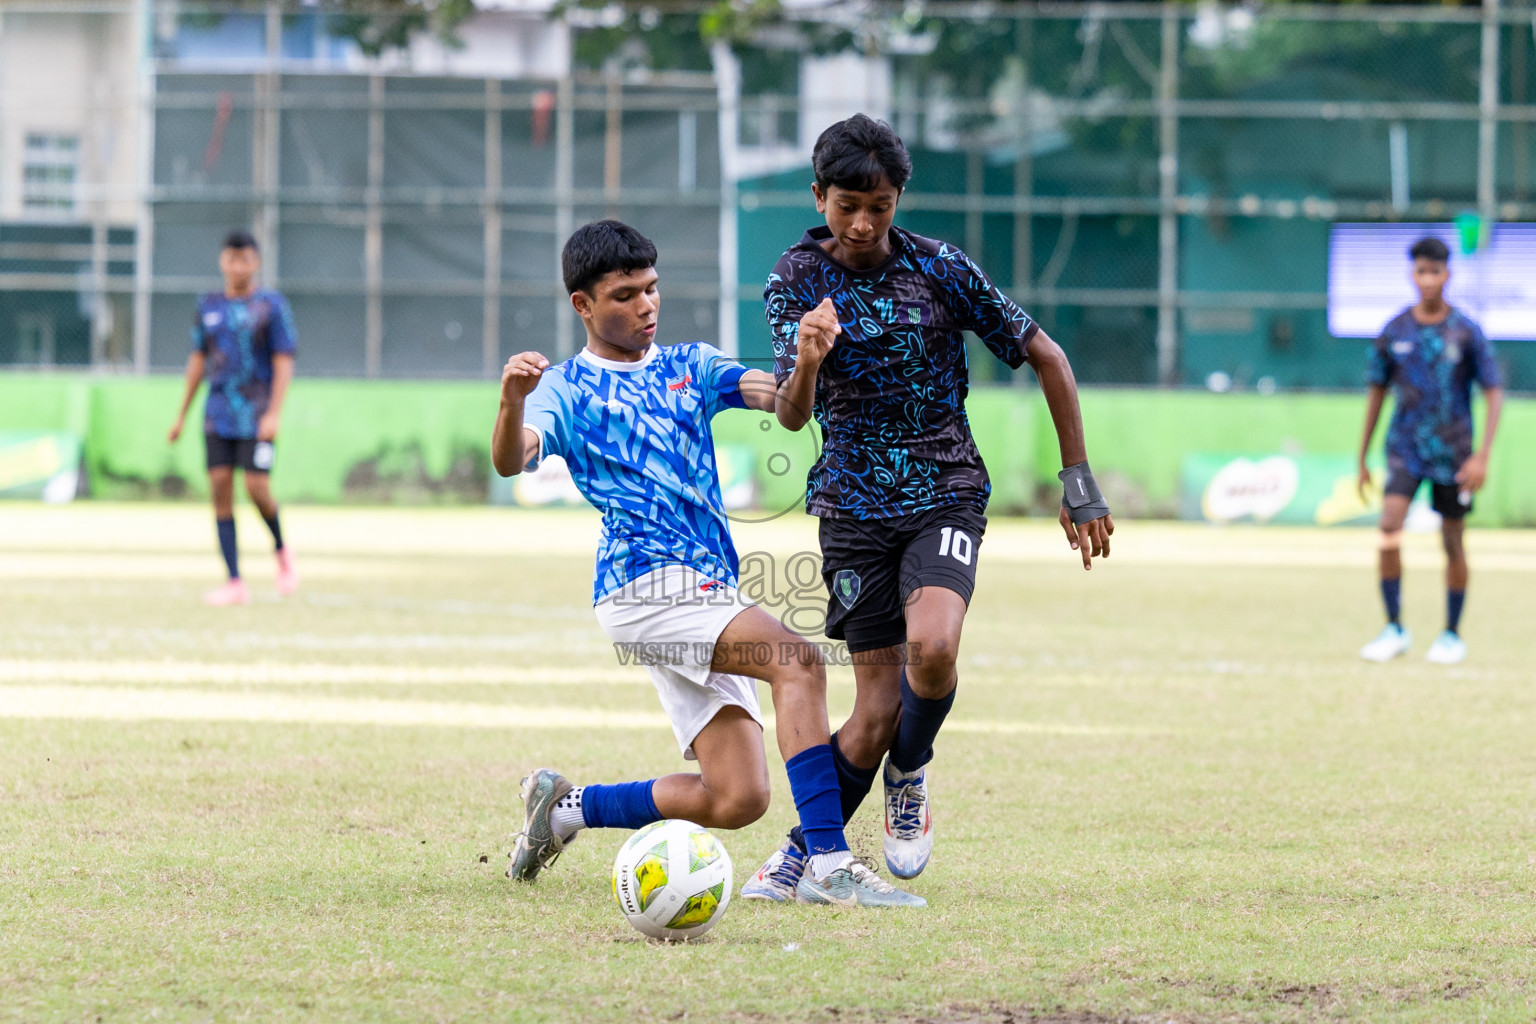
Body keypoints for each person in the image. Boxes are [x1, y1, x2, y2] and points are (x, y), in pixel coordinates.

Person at [494, 220, 924, 908]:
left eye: (652, 289)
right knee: (799, 662)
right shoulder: (568, 388)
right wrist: (513, 401)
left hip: (704, 588)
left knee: (737, 796)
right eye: (626, 295)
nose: (646, 305)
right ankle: (828, 862)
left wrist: (807, 361)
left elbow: (785, 409)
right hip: (643, 584)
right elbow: (514, 457)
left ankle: (566, 809)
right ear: (583, 305)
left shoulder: (691, 364)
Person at [739, 115, 1113, 902]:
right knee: (872, 714)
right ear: (819, 197)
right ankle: (805, 852)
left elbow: (1047, 354)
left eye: (879, 204)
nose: (865, 223)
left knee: (934, 649)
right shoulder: (793, 280)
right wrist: (807, 359)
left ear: (899, 196)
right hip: (850, 507)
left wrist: (1076, 478)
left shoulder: (940, 268)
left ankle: (909, 776)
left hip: (945, 489)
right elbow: (794, 417)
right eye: (848, 206)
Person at [1356, 235, 1503, 665]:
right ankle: (1394, 627)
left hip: (1454, 454)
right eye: (1421, 271)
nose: (1428, 280)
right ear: (1412, 274)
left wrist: (1483, 454)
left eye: (1435, 271)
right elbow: (1376, 391)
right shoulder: (1395, 330)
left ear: (1448, 275)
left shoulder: (1465, 330)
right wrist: (1362, 455)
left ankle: (1452, 634)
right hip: (1405, 447)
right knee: (1389, 525)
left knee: (1452, 541)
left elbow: (1493, 391)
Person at [168, 230, 298, 606]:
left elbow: (283, 361)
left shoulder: (271, 306)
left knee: (257, 488)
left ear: (255, 262)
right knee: (220, 489)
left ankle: (281, 550)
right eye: (231, 258)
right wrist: (181, 415)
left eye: (245, 259)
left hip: (256, 414)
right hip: (217, 414)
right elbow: (197, 361)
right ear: (222, 261)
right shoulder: (208, 306)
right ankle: (235, 580)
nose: (238, 265)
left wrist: (274, 412)